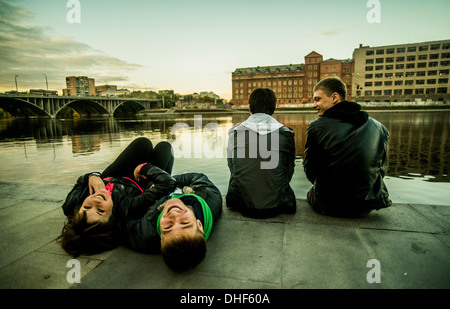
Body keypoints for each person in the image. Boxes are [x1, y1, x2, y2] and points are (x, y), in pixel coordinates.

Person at [58, 137, 176, 257]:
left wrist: (92, 176)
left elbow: (80, 182)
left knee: (143, 144)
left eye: (87, 207)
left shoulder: (72, 204)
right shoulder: (126, 207)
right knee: (165, 148)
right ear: (112, 219)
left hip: (112, 176)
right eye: (100, 210)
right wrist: (144, 168)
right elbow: (168, 183)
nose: (96, 200)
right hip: (139, 183)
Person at [303, 77, 392, 217]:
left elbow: (310, 170)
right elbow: (381, 169)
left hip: (328, 205)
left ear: (334, 97)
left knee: (311, 192)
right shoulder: (380, 128)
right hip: (365, 207)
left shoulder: (317, 127)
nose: (313, 105)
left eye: (317, 99)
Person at [124, 172, 222, 271]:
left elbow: (119, 226)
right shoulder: (212, 199)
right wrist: (168, 182)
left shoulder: (145, 233)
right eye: (184, 223)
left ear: (161, 239)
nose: (174, 215)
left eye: (168, 227)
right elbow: (198, 177)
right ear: (199, 224)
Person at [226, 88, 296, 218]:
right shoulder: (286, 134)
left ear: (249, 107)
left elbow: (232, 167)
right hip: (277, 205)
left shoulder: (234, 133)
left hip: (241, 203)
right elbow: (289, 170)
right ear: (274, 108)